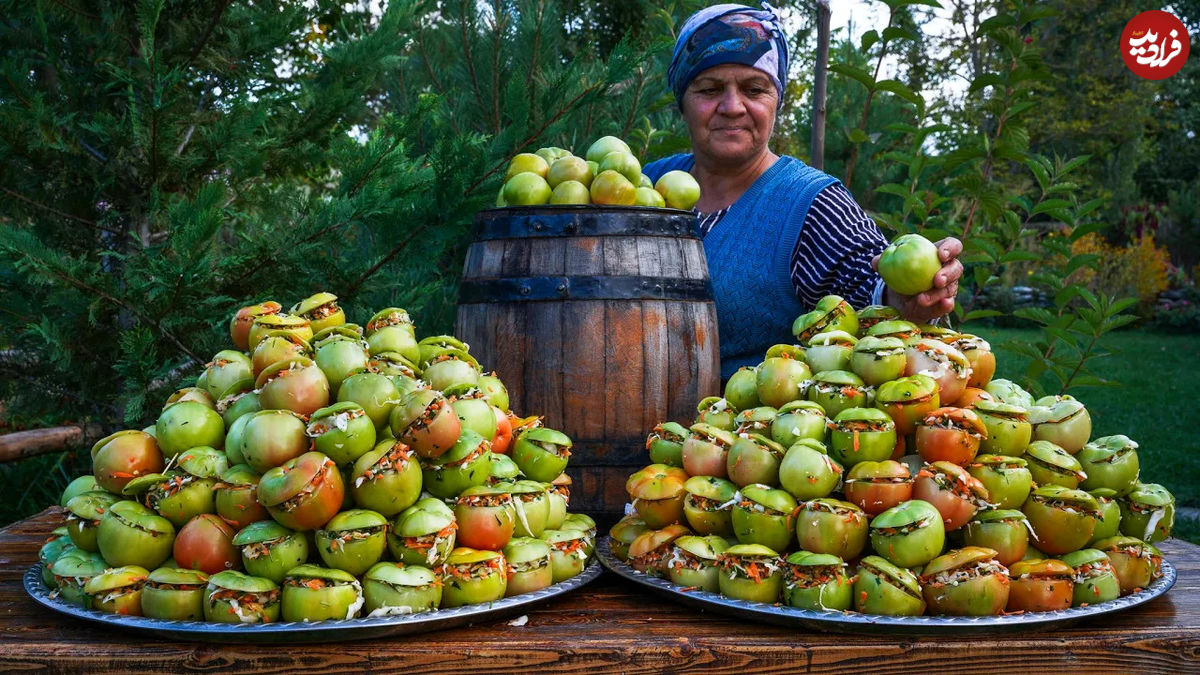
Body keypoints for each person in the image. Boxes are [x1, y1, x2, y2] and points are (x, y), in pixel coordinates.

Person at [642, 3, 963, 379]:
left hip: (749, 431)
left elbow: (872, 291)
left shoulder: (809, 203)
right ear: (683, 101)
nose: (732, 107)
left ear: (776, 100)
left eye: (754, 88)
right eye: (710, 89)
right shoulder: (649, 185)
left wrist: (914, 294)